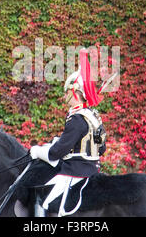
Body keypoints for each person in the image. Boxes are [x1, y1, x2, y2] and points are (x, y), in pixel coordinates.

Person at [30, 49, 106, 216]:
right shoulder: (94, 116)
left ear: (74, 92)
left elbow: (57, 152)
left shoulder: (76, 118)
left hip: (75, 172)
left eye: (67, 93)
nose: (65, 97)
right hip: (93, 169)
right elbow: (101, 149)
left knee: (45, 201)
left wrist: (37, 151)